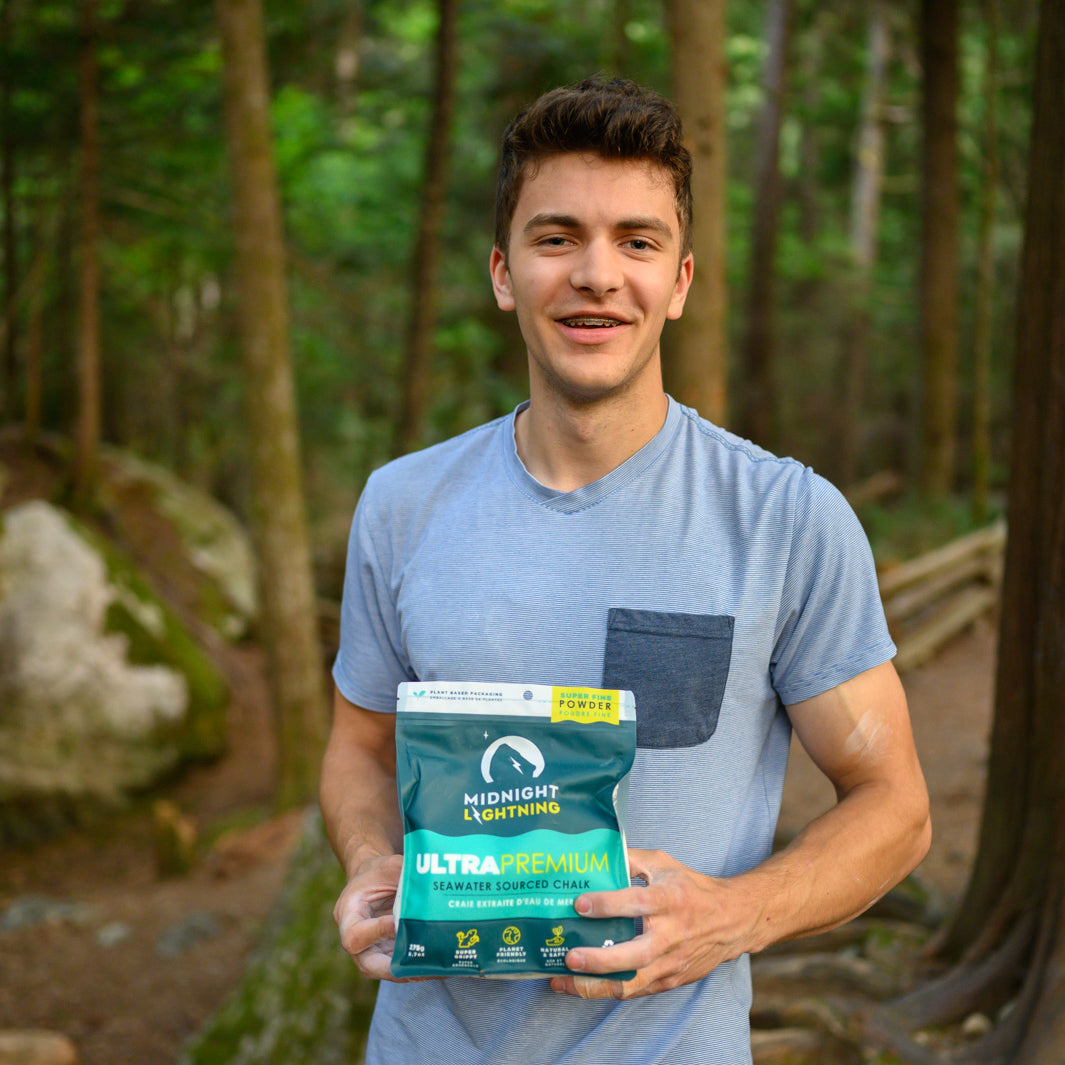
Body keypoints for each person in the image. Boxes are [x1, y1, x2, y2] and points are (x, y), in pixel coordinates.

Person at [320, 75, 931, 1065]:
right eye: (556, 238)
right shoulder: (402, 505)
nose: (597, 275)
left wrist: (732, 914)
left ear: (680, 282)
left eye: (637, 242)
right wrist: (368, 865)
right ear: (503, 273)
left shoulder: (785, 519)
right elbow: (357, 747)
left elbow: (896, 810)